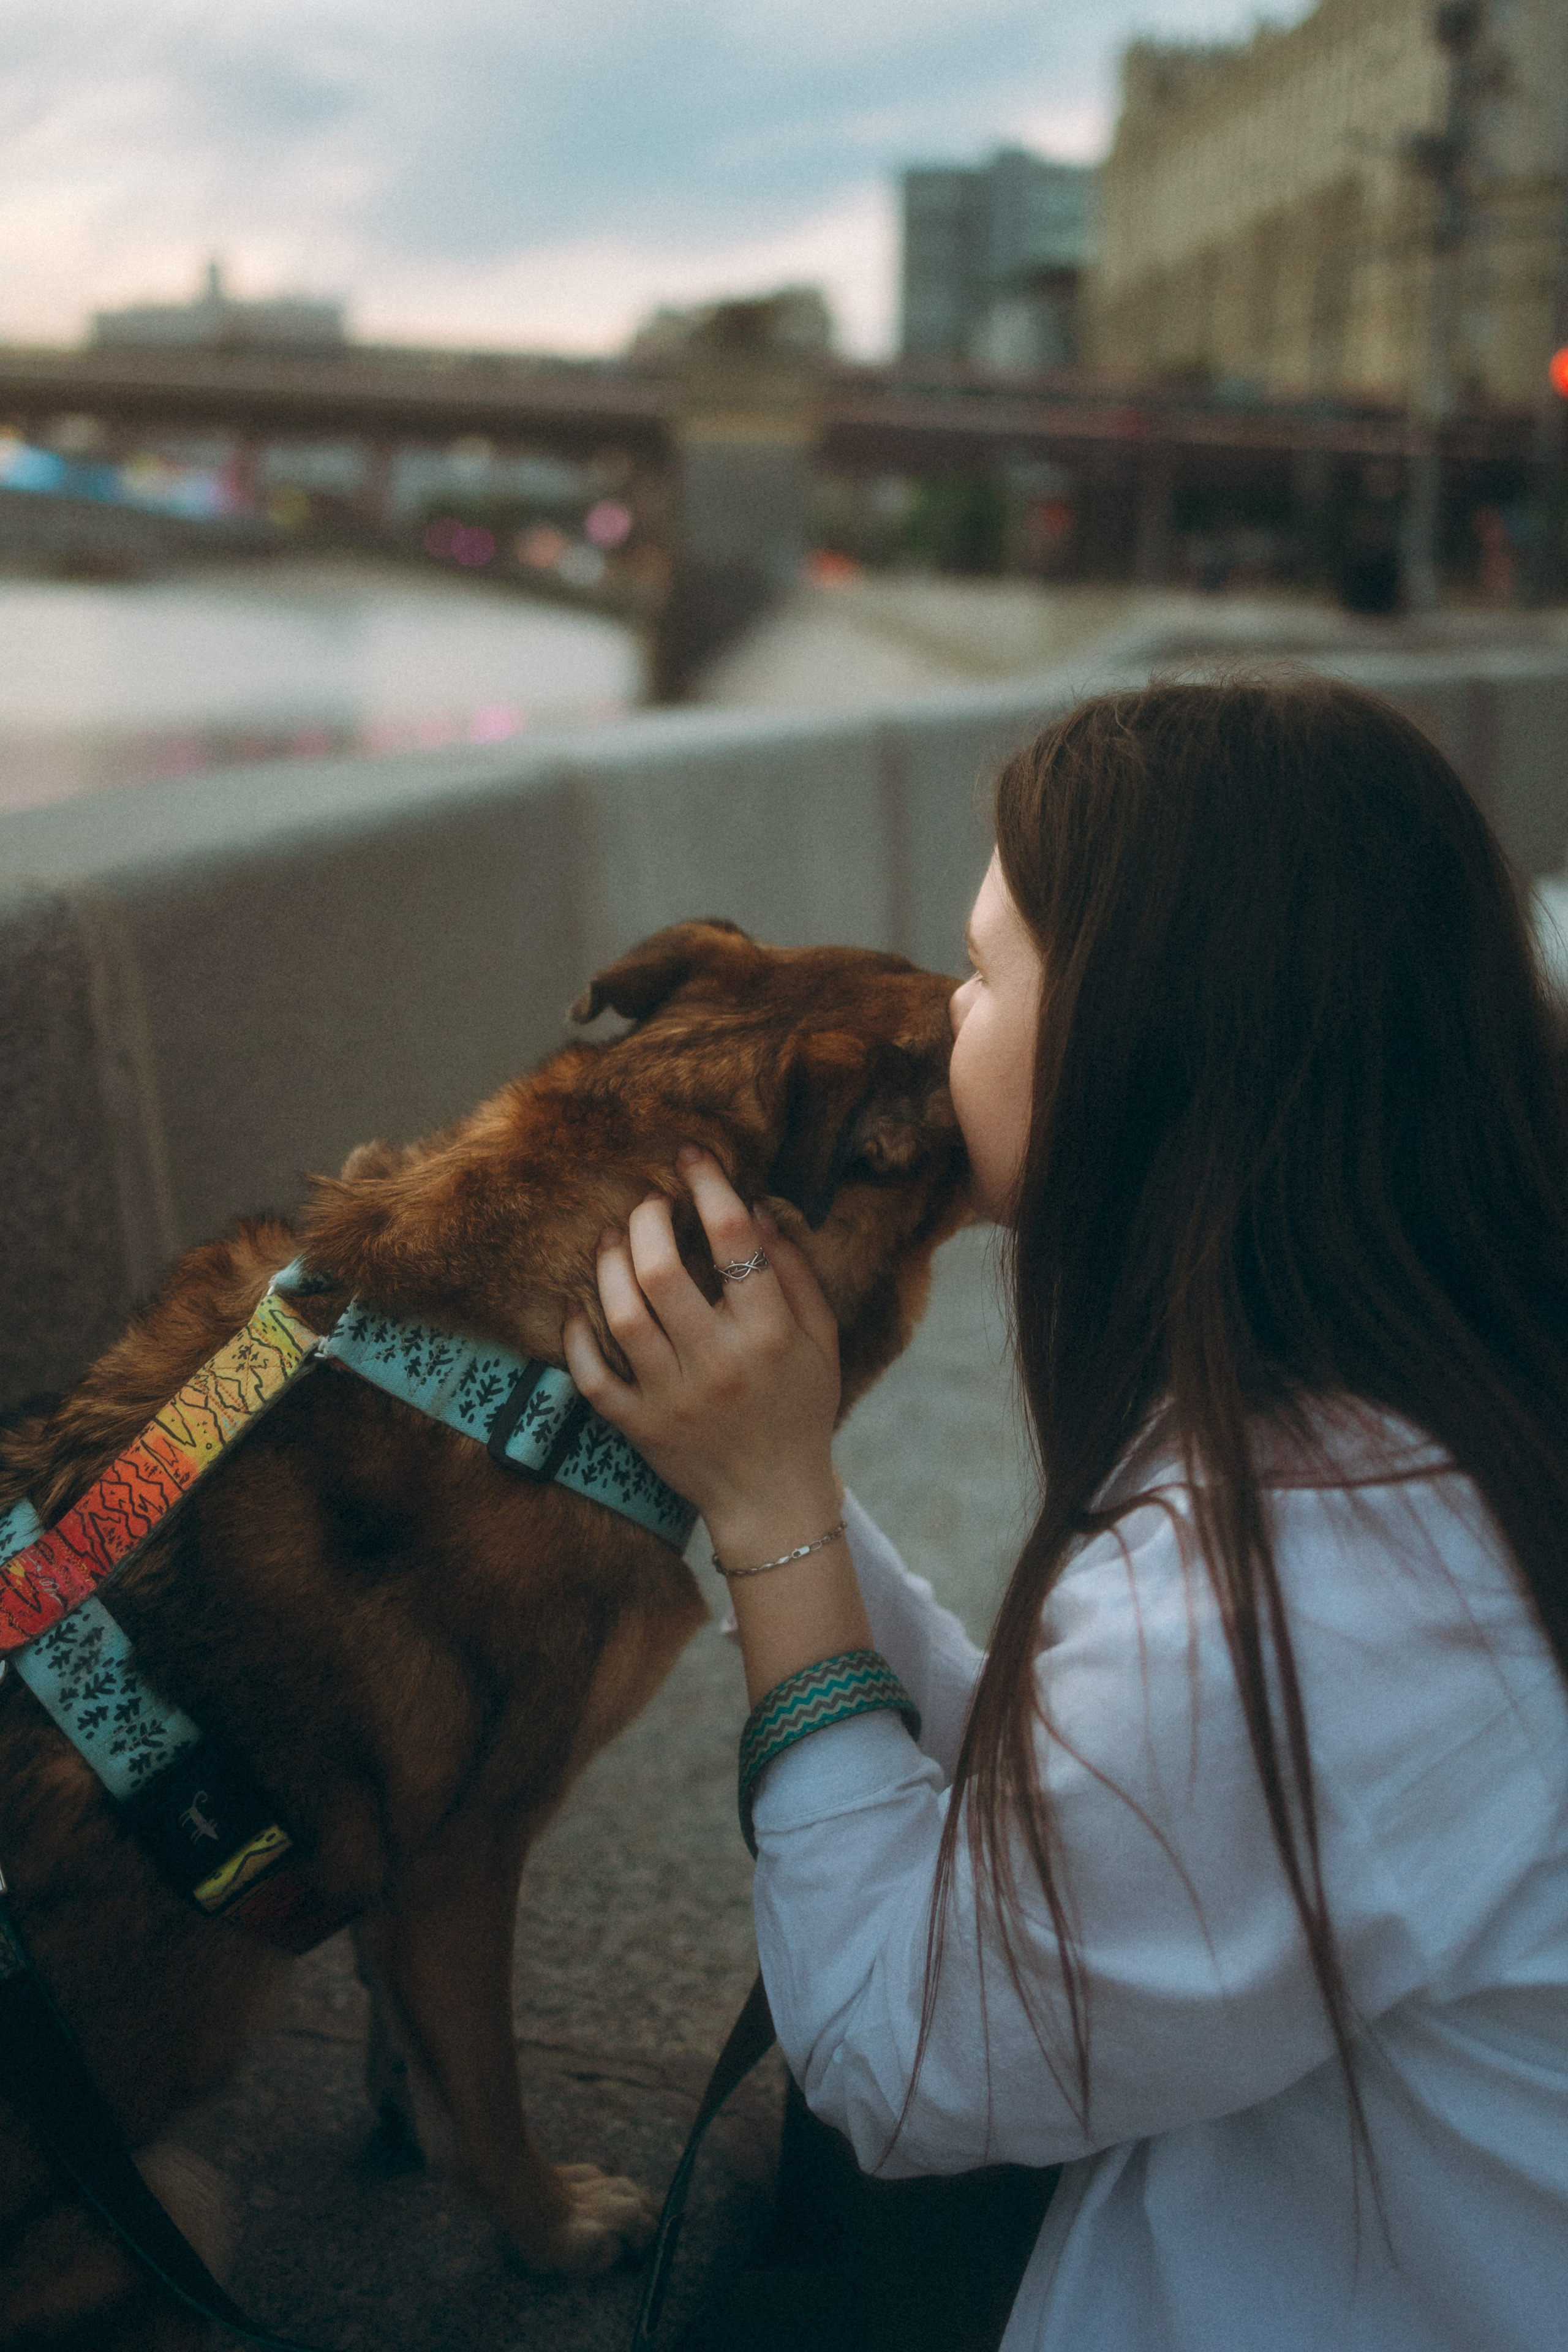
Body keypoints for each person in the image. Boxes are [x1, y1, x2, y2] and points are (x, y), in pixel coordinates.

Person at [562, 676, 1568, 2351]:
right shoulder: (1422, 1406)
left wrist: (775, 1514)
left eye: (990, 972)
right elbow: (1094, 1809)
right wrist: (758, 1469)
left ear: (1135, 1029)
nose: (950, 1015)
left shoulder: (1305, 1593)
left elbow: (897, 2051)